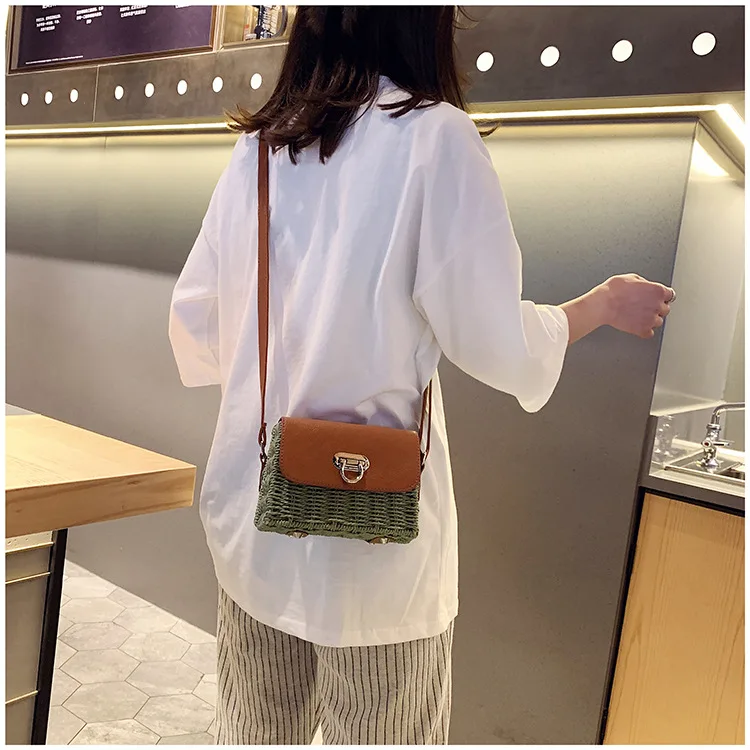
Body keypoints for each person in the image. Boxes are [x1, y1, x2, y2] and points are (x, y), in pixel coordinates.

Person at [169, 7, 674, 745]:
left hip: (254, 516)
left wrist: (287, 374)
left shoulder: (260, 150)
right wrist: (595, 308)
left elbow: (198, 319)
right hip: (376, 544)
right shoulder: (436, 138)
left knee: (254, 732)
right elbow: (493, 339)